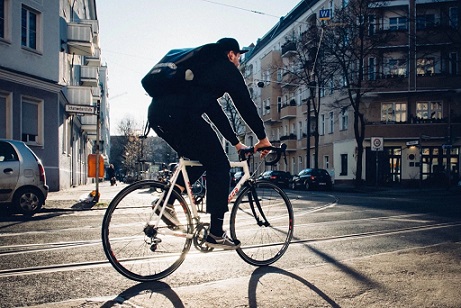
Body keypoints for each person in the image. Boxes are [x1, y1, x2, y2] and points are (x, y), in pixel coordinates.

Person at [148, 37, 271, 249]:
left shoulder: (204, 72)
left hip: (158, 115)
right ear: (231, 54)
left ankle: (166, 202)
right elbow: (244, 103)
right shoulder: (225, 67)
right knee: (220, 165)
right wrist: (262, 138)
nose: (239, 63)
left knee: (199, 158)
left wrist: (236, 142)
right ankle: (215, 233)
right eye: (239, 58)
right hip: (178, 116)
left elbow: (214, 112)